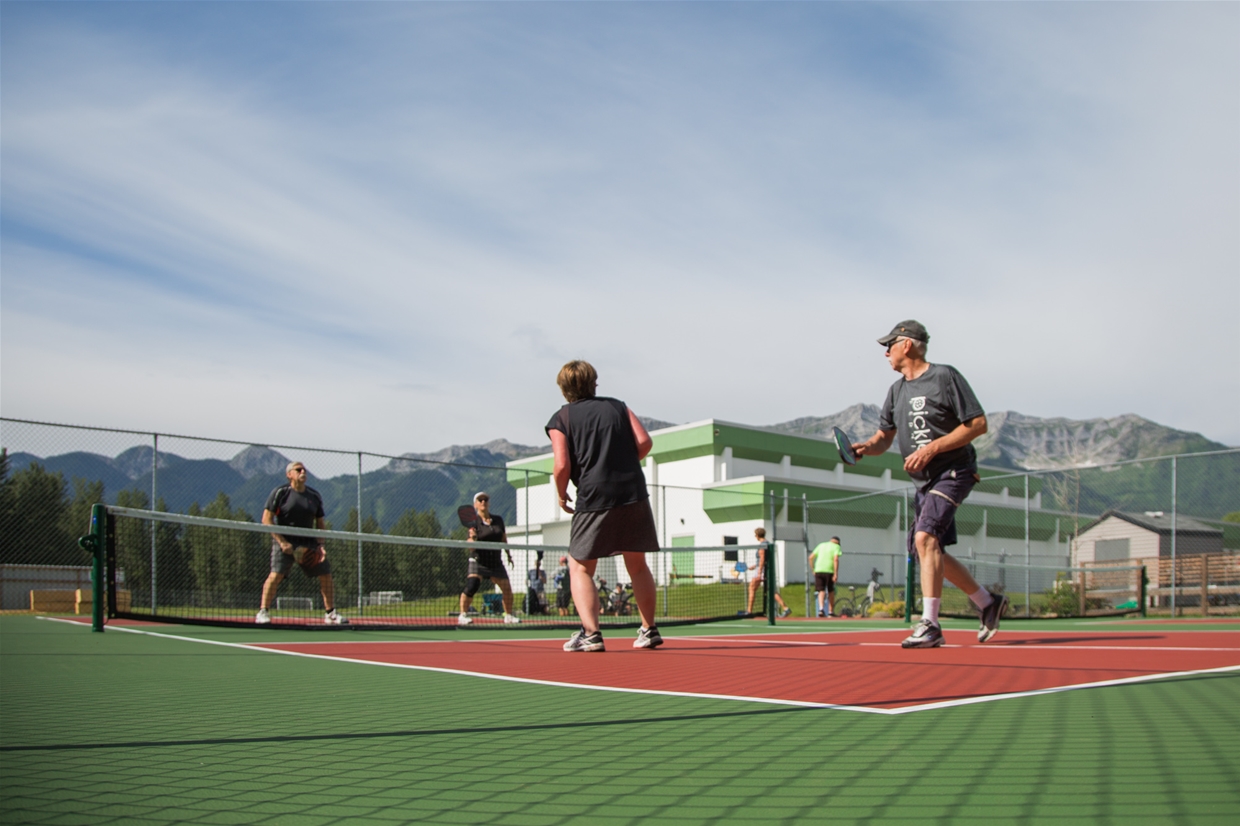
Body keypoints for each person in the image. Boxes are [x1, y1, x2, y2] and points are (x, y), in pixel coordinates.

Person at [851, 320, 1008, 648]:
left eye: (889, 345)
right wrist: (867, 446)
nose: (885, 353)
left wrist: (932, 448)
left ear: (906, 344)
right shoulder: (896, 391)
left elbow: (978, 424)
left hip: (954, 472)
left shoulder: (944, 376)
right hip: (923, 483)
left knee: (925, 539)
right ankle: (987, 602)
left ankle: (930, 624)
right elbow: (884, 438)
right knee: (928, 550)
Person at [547, 360, 663, 652]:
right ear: (594, 382)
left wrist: (561, 495)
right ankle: (649, 630)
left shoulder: (561, 418)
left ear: (563, 389)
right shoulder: (618, 407)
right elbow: (645, 442)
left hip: (594, 496)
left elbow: (562, 465)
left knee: (581, 567)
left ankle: (591, 633)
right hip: (633, 491)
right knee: (637, 565)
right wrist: (621, 465)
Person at [256, 461, 348, 625]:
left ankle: (330, 613)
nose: (303, 471)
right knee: (276, 575)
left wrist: (320, 546)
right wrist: (282, 542)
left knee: (325, 575)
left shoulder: (314, 496)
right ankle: (263, 611)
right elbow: (266, 519)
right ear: (289, 474)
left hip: (309, 543)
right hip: (285, 541)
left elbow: (320, 524)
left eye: (304, 469)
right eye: (298, 469)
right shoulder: (280, 493)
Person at [458, 492, 520, 625]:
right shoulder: (473, 522)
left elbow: (503, 539)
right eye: (480, 500)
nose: (483, 502)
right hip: (478, 561)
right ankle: (462, 615)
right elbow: (470, 546)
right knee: (472, 585)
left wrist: (508, 555)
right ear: (475, 504)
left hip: (495, 562)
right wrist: (473, 537)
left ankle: (508, 616)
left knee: (507, 589)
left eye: (485, 499)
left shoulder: (498, 520)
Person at [745, 528, 791, 617]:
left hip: (762, 570)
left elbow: (762, 559)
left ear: (757, 535)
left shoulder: (763, 545)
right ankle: (786, 608)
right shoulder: (768, 544)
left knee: (751, 588)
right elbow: (763, 559)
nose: (755, 536)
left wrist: (759, 572)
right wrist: (754, 566)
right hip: (766, 569)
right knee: (771, 590)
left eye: (755, 535)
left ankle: (749, 611)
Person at [808, 536, 843, 617]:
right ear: (838, 543)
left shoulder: (821, 545)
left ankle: (821, 609)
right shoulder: (836, 547)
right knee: (831, 591)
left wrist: (813, 569)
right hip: (829, 571)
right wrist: (835, 573)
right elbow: (836, 559)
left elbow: (810, 558)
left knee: (821, 590)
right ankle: (830, 611)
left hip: (819, 570)